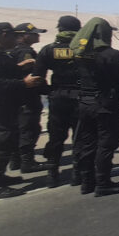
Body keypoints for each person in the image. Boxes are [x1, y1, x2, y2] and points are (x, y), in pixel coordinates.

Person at [0, 22, 44, 199]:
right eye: (13, 36)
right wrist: (23, 84)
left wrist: (19, 67)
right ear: (3, 35)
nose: (15, 39)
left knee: (3, 143)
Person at [70, 17, 119, 196]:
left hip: (85, 103)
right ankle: (103, 182)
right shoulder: (112, 55)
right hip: (106, 104)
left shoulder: (79, 54)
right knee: (106, 143)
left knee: (88, 143)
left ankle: (87, 181)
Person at [33, 15, 82, 188]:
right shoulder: (83, 49)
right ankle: (78, 174)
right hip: (80, 98)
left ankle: (52, 174)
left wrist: (49, 91)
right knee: (80, 137)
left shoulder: (48, 50)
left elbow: (37, 77)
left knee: (56, 137)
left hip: (58, 99)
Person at [10, 22, 51, 173]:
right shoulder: (25, 52)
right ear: (22, 35)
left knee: (18, 128)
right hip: (27, 97)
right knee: (29, 129)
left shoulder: (12, 50)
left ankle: (16, 160)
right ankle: (27, 162)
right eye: (34, 33)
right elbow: (33, 76)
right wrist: (47, 90)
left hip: (15, 97)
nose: (37, 35)